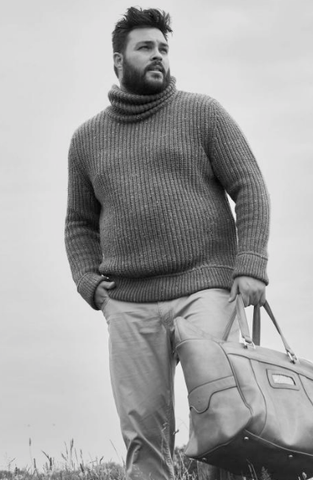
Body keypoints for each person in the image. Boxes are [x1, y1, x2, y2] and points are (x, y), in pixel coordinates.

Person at [65, 7, 270, 480]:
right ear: (118, 61)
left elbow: (250, 186)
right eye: (145, 48)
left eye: (163, 48)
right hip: (128, 301)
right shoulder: (86, 140)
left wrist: (251, 263)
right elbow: (79, 223)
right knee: (143, 434)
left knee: (221, 419)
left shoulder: (203, 113)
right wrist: (91, 285)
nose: (157, 56)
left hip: (206, 288)